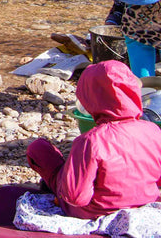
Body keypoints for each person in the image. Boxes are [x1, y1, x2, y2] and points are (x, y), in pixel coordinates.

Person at [25, 60, 161, 219]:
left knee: (38, 149)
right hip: (144, 203)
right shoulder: (153, 130)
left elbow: (75, 197)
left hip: (95, 212)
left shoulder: (90, 141)